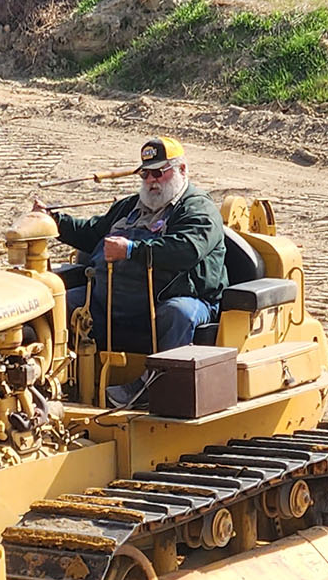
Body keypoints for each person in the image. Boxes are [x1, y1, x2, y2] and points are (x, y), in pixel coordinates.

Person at [35, 137, 227, 396]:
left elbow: (186, 250)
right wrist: (53, 221)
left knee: (178, 312)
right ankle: (55, 381)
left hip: (174, 300)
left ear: (182, 170)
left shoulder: (198, 209)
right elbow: (93, 233)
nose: (151, 180)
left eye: (159, 172)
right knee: (61, 304)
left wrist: (131, 250)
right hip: (113, 302)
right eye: (145, 173)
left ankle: (156, 389)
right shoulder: (129, 207)